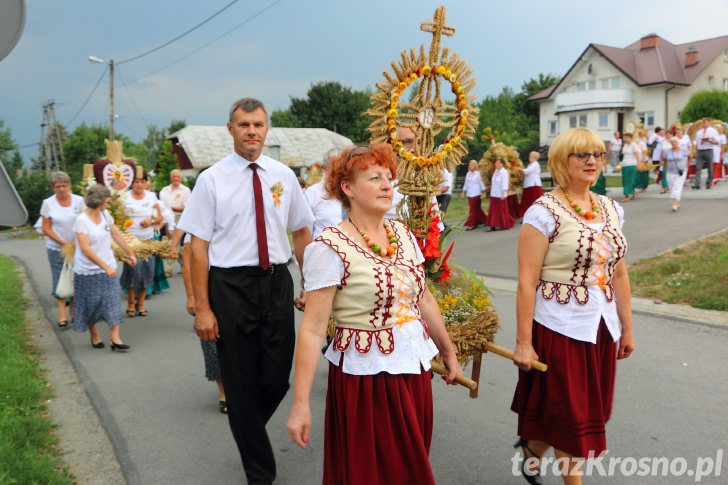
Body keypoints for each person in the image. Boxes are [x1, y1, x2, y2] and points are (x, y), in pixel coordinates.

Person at [285, 143, 462, 485]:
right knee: (380, 474)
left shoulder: (403, 235)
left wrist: (449, 352)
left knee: (411, 466)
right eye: (374, 177)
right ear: (347, 188)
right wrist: (301, 404)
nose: (386, 185)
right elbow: (311, 330)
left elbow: (423, 298)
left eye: (388, 177)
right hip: (367, 379)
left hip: (413, 372)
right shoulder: (328, 247)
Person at [177, 97, 313, 484]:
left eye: (258, 125)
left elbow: (302, 231)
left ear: (266, 129)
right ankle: (260, 472)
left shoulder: (283, 176)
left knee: (276, 378)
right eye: (244, 125)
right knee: (238, 378)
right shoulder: (212, 179)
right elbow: (196, 246)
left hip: (276, 282)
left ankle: (245, 423)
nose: (251, 131)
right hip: (230, 286)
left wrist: (310, 283)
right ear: (231, 130)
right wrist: (202, 307)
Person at [511, 128, 635, 485]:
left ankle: (533, 449)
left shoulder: (612, 209)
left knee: (579, 412)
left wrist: (627, 327)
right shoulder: (544, 212)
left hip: (602, 326)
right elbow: (526, 282)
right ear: (562, 162)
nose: (592, 161)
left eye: (597, 154)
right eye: (582, 155)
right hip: (558, 325)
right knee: (574, 415)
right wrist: (523, 341)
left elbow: (620, 273)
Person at [73, 184, 137, 351]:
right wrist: (104, 267)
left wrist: (130, 252)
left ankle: (115, 338)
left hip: (108, 266)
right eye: (106, 202)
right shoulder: (81, 220)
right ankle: (94, 335)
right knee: (90, 304)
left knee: (112, 302)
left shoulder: (105, 214)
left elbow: (116, 234)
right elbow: (85, 249)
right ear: (98, 201)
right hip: (87, 270)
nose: (108, 205)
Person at [171, 233, 227, 413]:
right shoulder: (194, 233)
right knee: (213, 341)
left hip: (236, 288)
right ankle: (223, 391)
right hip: (207, 291)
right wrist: (191, 297)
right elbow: (187, 266)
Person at [40, 171, 86, 328]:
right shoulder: (48, 203)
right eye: (58, 186)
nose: (61, 189)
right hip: (56, 247)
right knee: (59, 278)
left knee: (75, 278)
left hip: (76, 247)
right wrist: (61, 241)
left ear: (69, 185)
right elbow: (46, 228)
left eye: (64, 186)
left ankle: (74, 311)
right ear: (53, 188)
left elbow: (84, 221)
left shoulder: (79, 201)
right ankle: (62, 315)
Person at [120, 173, 162, 317]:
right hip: (130, 240)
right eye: (136, 181)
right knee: (133, 271)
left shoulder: (151, 197)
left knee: (146, 271)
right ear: (132, 183)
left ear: (146, 184)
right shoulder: (124, 196)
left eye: (142, 182)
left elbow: (159, 217)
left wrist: (150, 222)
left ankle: (141, 304)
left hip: (147, 240)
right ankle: (131, 303)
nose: (139, 185)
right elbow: (118, 216)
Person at [304, 151, 344, 238]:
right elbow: (305, 231)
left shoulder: (353, 190)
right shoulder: (312, 192)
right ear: (325, 168)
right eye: (335, 167)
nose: (340, 171)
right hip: (322, 248)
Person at [159, 169, 190, 276]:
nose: (176, 178)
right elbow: (160, 205)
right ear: (171, 178)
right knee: (172, 241)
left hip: (178, 218)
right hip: (166, 219)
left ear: (180, 178)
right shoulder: (164, 190)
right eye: (174, 176)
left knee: (173, 242)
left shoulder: (185, 190)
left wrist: (171, 208)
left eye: (178, 177)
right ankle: (186, 264)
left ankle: (167, 270)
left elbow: (186, 207)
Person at [487, 158, 516, 231]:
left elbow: (504, 183)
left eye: (497, 163)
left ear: (502, 164)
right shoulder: (496, 171)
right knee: (493, 210)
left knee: (501, 210)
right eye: (496, 163)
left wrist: (503, 193)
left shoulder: (504, 172)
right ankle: (492, 225)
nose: (496, 164)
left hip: (501, 194)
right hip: (494, 194)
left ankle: (506, 223)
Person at [692, 118, 719, 190]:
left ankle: (708, 183)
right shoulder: (699, 132)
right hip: (700, 151)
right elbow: (697, 142)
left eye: (706, 123)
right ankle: (697, 184)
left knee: (710, 167)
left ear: (709, 123)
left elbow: (717, 142)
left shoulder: (713, 131)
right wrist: (696, 150)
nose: (704, 124)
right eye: (703, 123)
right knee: (698, 168)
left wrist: (709, 141)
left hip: (709, 150)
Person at [664, 137, 689, 212]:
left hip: (680, 171)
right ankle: (677, 201)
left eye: (675, 142)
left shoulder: (683, 150)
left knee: (677, 186)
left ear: (678, 142)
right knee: (671, 186)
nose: (673, 144)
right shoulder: (668, 151)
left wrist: (687, 165)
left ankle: (674, 203)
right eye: (672, 142)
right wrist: (666, 168)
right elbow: (665, 160)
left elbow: (690, 156)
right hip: (670, 171)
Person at [461, 159, 488, 230]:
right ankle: (485, 220)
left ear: (475, 166)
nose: (470, 166)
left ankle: (472, 224)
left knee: (472, 209)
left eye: (472, 165)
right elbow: (466, 184)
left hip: (476, 194)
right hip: (470, 194)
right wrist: (463, 192)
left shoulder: (478, 174)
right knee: (477, 209)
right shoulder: (468, 174)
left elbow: (481, 183)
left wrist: (485, 192)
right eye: (470, 165)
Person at [619, 132, 641, 202]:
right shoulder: (625, 145)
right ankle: (634, 192)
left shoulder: (633, 145)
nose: (625, 139)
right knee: (625, 180)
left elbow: (637, 155)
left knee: (630, 180)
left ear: (630, 138)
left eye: (626, 138)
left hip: (632, 164)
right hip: (625, 164)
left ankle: (627, 195)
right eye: (624, 138)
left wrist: (639, 164)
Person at [519, 151, 543, 216]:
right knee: (527, 201)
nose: (530, 158)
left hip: (533, 185)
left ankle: (535, 214)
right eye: (530, 156)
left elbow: (527, 171)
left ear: (536, 158)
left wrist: (519, 169)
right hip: (529, 185)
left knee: (533, 201)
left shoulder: (535, 164)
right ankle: (528, 215)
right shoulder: (530, 165)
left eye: (532, 157)